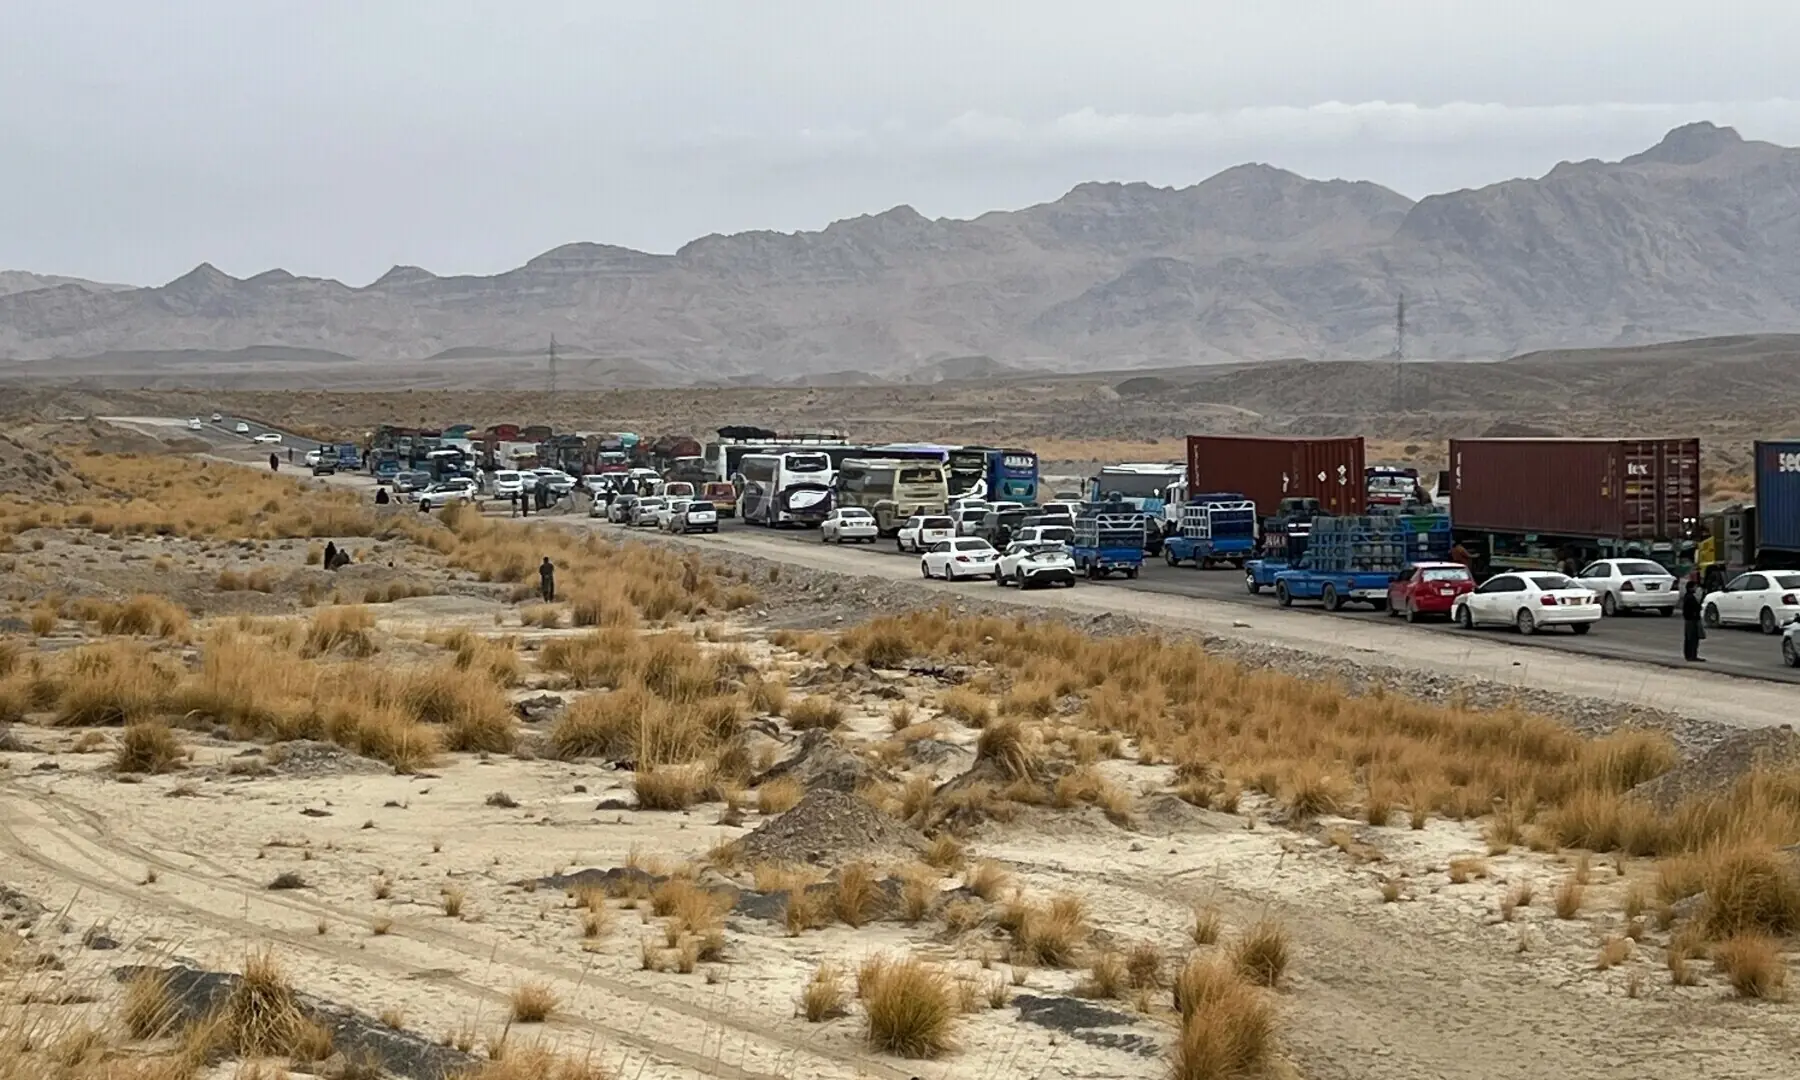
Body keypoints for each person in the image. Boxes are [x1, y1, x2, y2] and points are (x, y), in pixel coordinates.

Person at [1681, 576, 1706, 662]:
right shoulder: (1690, 598)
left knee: (1690, 639)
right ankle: (1691, 656)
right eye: (1695, 587)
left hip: (1690, 620)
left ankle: (1689, 655)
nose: (1696, 588)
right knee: (1692, 639)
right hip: (1692, 620)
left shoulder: (1688, 597)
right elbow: (1695, 608)